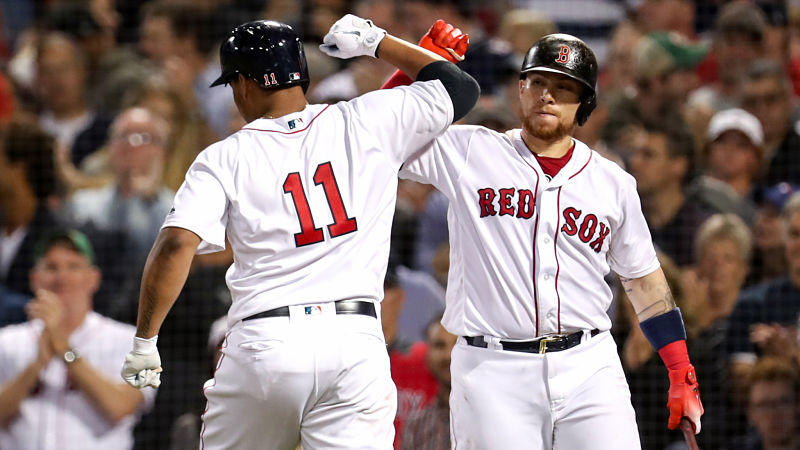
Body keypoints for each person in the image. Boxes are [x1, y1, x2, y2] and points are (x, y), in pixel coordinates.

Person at [120, 15, 479, 450]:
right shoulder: (367, 118)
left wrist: (145, 339)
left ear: (244, 84)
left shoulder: (223, 156)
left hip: (266, 343)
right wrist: (376, 41)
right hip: (354, 341)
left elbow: (177, 242)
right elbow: (458, 87)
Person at [391, 33, 703, 448]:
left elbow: (644, 282)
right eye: (538, 83)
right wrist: (416, 63)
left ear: (585, 103)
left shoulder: (613, 183)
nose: (547, 96)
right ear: (521, 88)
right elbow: (379, 134)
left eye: (564, 87)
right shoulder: (469, 152)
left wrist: (680, 369)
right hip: (492, 368)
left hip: (589, 365)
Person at [0, 229, 154, 449]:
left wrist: (65, 349)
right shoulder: (6, 340)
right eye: (52, 267)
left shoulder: (132, 340)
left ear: (94, 278)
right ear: (35, 279)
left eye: (73, 266)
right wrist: (35, 367)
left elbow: (122, 407)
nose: (62, 276)